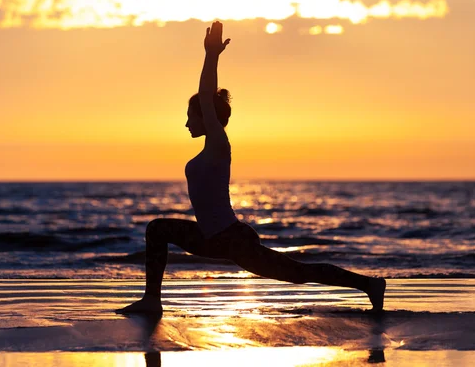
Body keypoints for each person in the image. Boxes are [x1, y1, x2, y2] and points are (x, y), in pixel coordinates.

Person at [116, 21, 386, 315]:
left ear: (207, 119)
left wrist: (212, 55)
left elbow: (206, 97)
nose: (186, 123)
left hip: (231, 239)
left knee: (298, 273)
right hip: (213, 237)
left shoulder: (219, 144)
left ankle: (369, 285)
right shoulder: (209, 149)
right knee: (157, 229)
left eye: (190, 116)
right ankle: (152, 300)